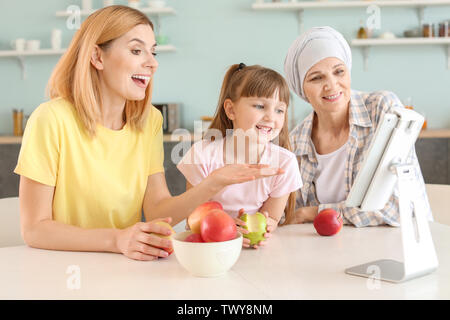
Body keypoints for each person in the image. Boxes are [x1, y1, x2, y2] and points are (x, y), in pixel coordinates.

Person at [13, 6, 282, 261]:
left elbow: (157, 210)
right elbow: (35, 229)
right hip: (61, 269)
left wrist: (214, 183)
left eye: (153, 52)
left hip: (125, 265)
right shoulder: (51, 119)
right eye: (136, 50)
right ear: (97, 57)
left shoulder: (148, 121)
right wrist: (117, 240)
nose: (152, 63)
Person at [284, 26, 432, 227]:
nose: (331, 85)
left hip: (400, 247)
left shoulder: (382, 110)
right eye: (316, 78)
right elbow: (291, 217)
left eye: (339, 72)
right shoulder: (296, 142)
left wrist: (313, 212)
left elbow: (399, 206)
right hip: (332, 251)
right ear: (302, 89)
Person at [177, 63, 302, 248]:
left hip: (253, 254)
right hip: (210, 247)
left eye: (279, 110)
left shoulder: (285, 163)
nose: (271, 117)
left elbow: (273, 218)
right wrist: (226, 228)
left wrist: (267, 225)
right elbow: (193, 216)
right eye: (260, 106)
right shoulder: (202, 154)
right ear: (231, 110)